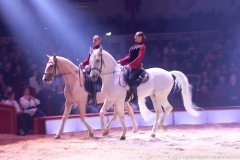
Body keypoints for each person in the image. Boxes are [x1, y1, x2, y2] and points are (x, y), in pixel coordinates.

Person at [118, 31, 146, 102]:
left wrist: (130, 64)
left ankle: (135, 95)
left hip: (136, 67)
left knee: (130, 79)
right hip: (129, 66)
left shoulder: (142, 46)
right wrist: (121, 61)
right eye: (135, 36)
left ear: (140, 37)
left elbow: (139, 58)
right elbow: (129, 56)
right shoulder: (133, 47)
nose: (134, 37)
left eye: (136, 36)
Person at [79, 35, 102, 105]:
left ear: (99, 40)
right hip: (93, 68)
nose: (93, 41)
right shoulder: (92, 49)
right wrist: (83, 63)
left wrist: (91, 66)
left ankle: (94, 98)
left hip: (99, 69)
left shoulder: (100, 50)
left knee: (92, 79)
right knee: (84, 75)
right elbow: (89, 59)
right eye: (93, 40)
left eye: (95, 40)